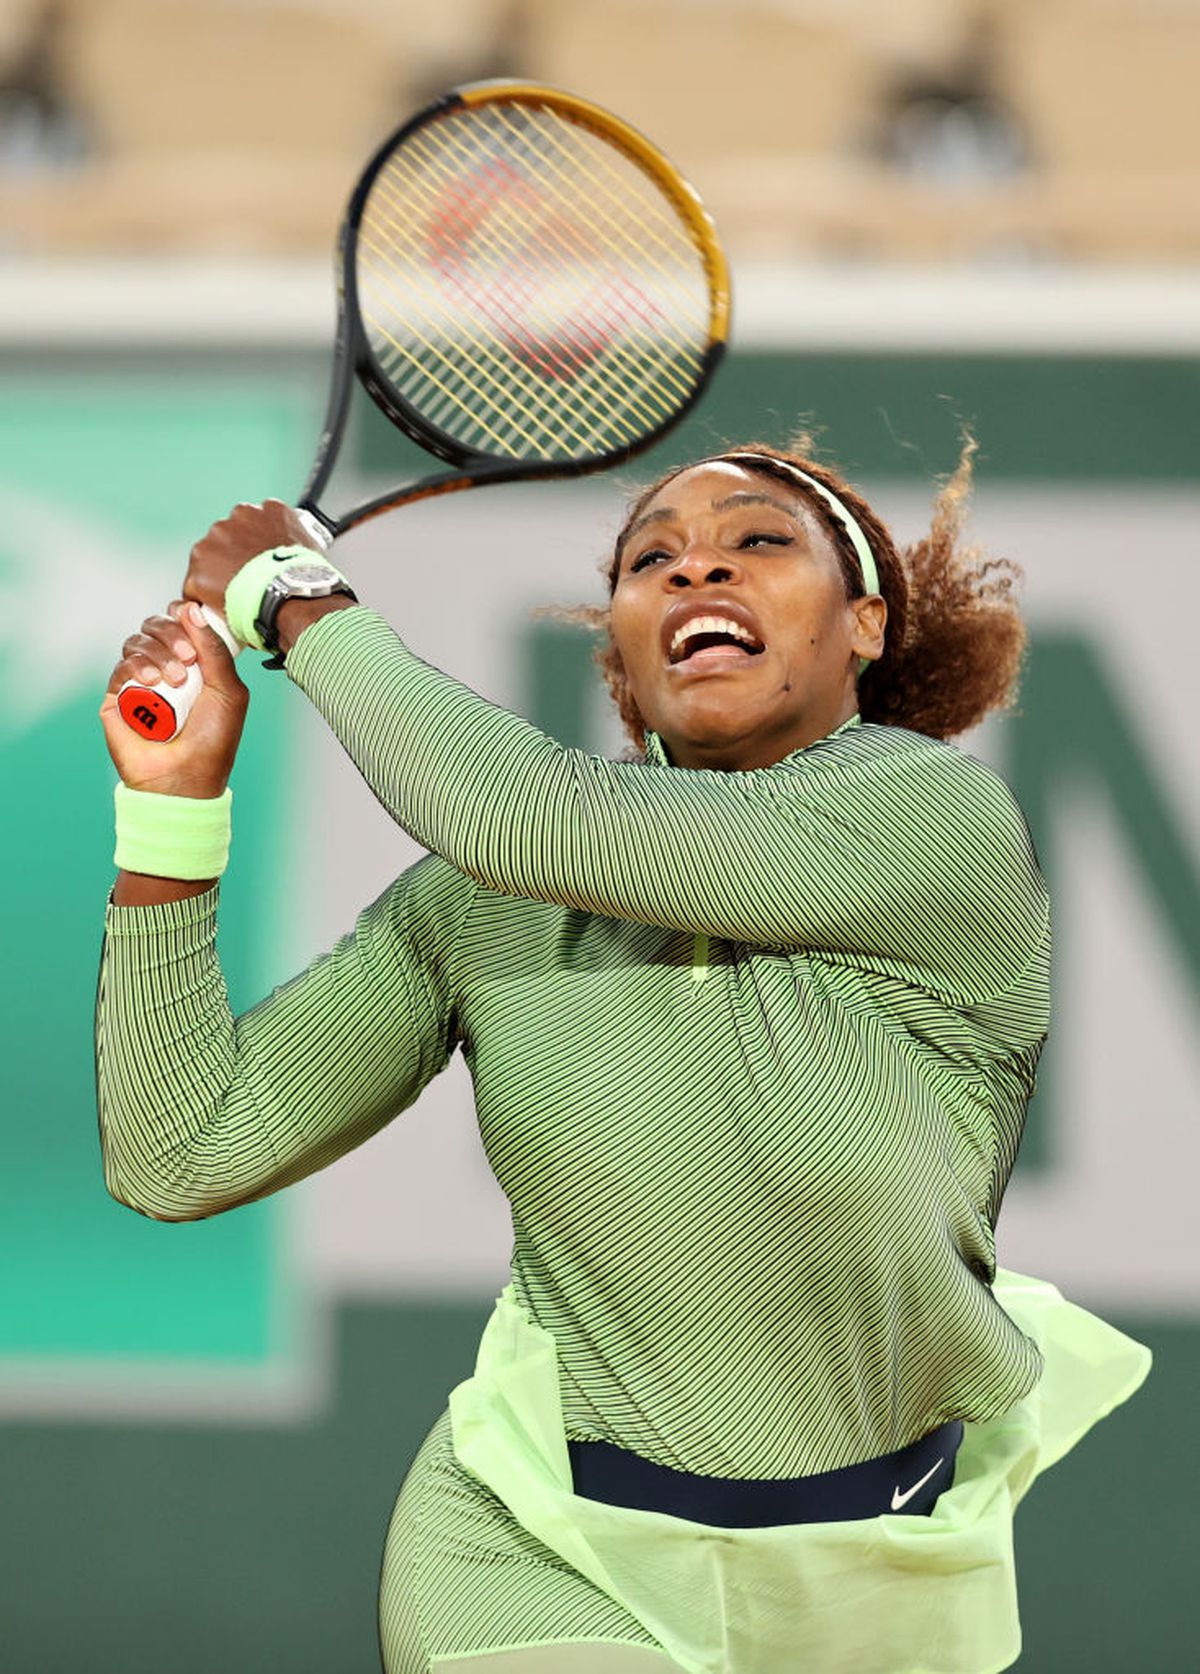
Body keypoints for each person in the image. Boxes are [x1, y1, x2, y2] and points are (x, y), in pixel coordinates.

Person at [96, 442, 1150, 1674]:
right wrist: (171, 811)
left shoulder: (938, 822)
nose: (695, 560)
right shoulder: (482, 905)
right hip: (537, 1548)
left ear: (865, 625)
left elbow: (520, 809)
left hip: (876, 1579)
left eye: (759, 540)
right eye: (650, 558)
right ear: (627, 655)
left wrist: (296, 600)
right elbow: (183, 1150)